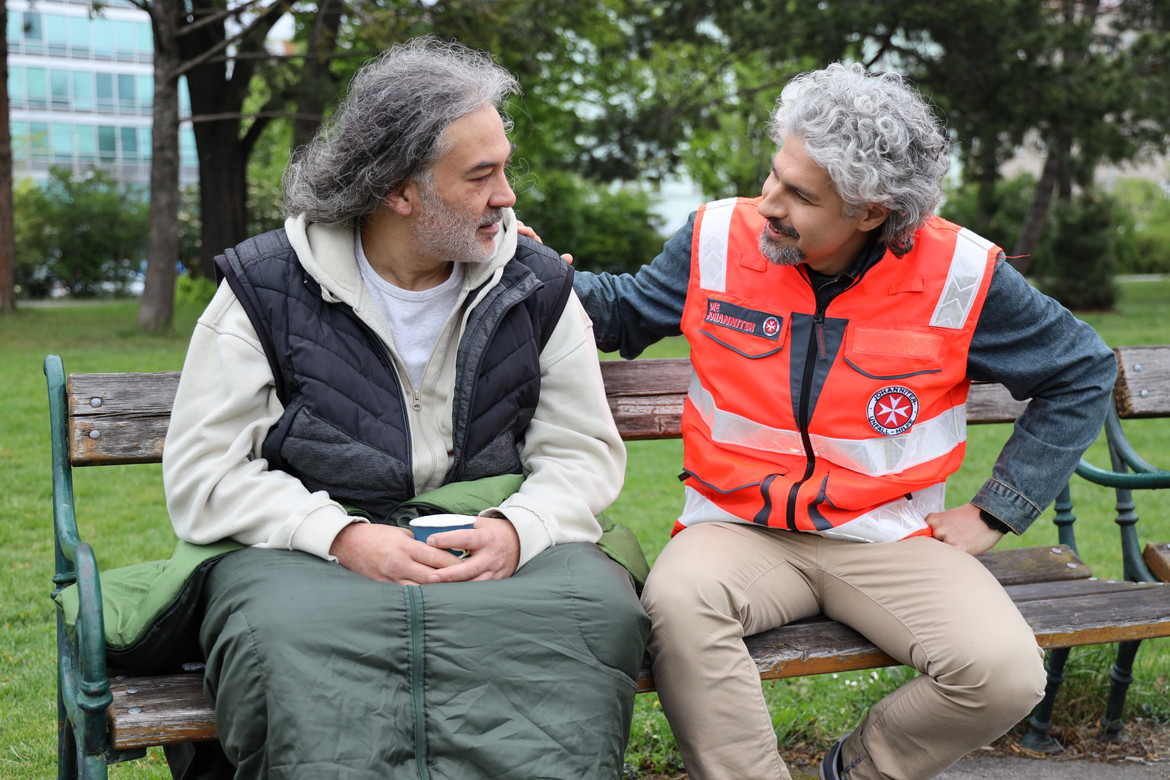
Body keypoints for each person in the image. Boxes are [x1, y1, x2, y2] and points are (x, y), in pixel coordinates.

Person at [569, 63, 1118, 780]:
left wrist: (998, 509)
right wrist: (532, 269)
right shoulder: (717, 238)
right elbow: (622, 312)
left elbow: (1083, 370)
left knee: (1004, 675)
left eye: (800, 196)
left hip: (890, 535)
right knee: (676, 606)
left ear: (870, 212)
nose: (768, 204)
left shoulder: (961, 273)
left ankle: (856, 769)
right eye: (775, 175)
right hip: (735, 528)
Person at [161, 38, 648, 780]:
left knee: (594, 615)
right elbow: (205, 474)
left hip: (491, 548)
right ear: (398, 189)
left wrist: (518, 530)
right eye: (481, 175)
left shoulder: (536, 285)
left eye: (504, 168)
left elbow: (582, 453)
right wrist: (342, 537)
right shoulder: (265, 286)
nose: (507, 195)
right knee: (279, 636)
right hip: (309, 559)